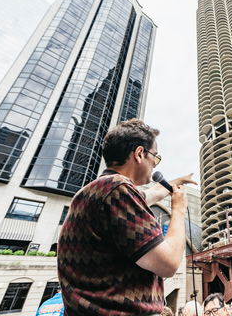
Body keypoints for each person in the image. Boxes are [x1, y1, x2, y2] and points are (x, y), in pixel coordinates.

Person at [57, 119, 197, 315]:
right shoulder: (118, 190)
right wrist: (179, 209)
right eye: (155, 158)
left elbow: (154, 193)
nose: (155, 166)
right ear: (140, 153)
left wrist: (179, 180)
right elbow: (169, 264)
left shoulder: (97, 191)